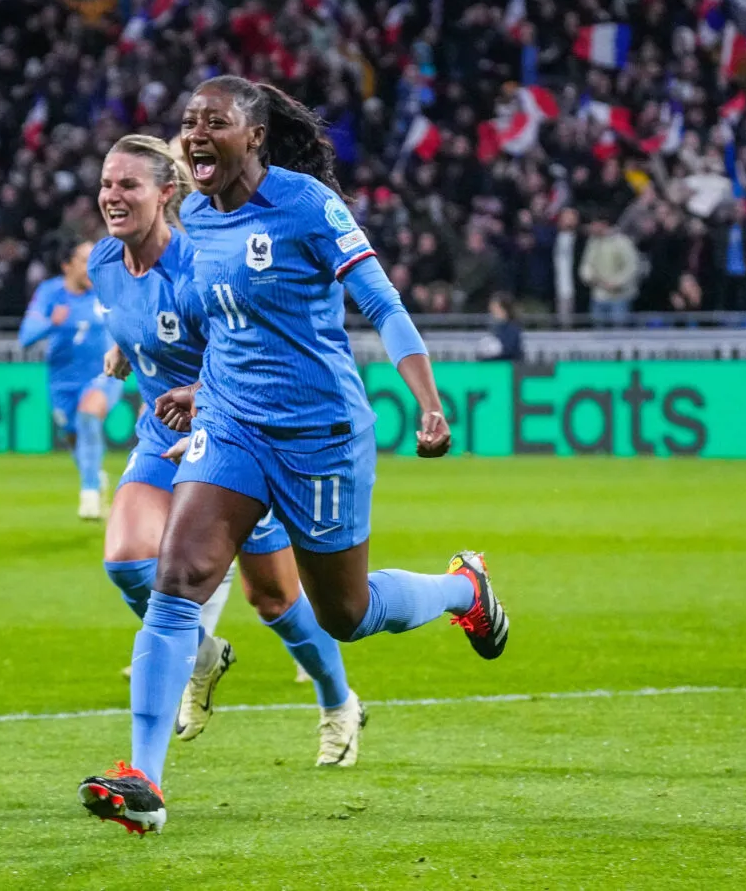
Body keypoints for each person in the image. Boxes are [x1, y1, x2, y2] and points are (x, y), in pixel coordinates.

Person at [78, 77, 510, 834]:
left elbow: (382, 304)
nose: (196, 134)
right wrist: (195, 390)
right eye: (189, 123)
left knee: (345, 612)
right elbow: (219, 330)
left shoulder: (307, 204)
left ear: (255, 135)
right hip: (232, 428)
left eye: (215, 122)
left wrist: (429, 401)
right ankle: (143, 778)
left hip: (321, 434)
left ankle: (461, 591)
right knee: (177, 578)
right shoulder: (198, 223)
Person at [88, 134, 365, 772]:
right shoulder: (105, 261)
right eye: (107, 183)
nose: (112, 196)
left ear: (167, 194)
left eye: (128, 185)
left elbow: (247, 344)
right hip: (164, 437)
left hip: (233, 431)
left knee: (273, 600)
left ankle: (337, 699)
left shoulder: (199, 264)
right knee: (128, 559)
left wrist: (198, 389)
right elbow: (135, 319)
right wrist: (126, 350)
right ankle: (203, 653)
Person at [18, 234, 123, 519]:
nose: (92, 267)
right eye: (84, 260)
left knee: (89, 415)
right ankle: (94, 475)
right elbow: (25, 337)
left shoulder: (106, 290)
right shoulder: (50, 293)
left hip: (102, 375)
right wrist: (51, 323)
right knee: (75, 437)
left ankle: (89, 492)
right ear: (67, 265)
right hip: (62, 380)